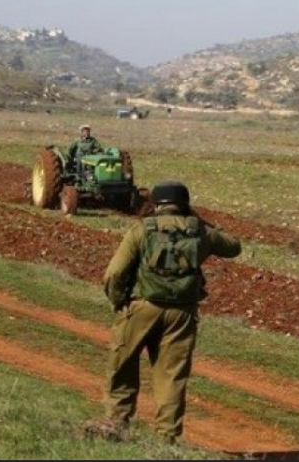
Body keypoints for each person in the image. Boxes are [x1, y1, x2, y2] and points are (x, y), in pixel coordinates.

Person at [87, 181, 242, 444]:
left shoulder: (141, 231)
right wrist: (201, 221)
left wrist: (119, 301)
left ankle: (117, 422)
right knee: (171, 375)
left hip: (142, 307)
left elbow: (114, 273)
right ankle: (166, 438)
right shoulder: (201, 233)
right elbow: (234, 246)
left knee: (123, 363)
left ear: (156, 205)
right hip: (182, 314)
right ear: (185, 205)